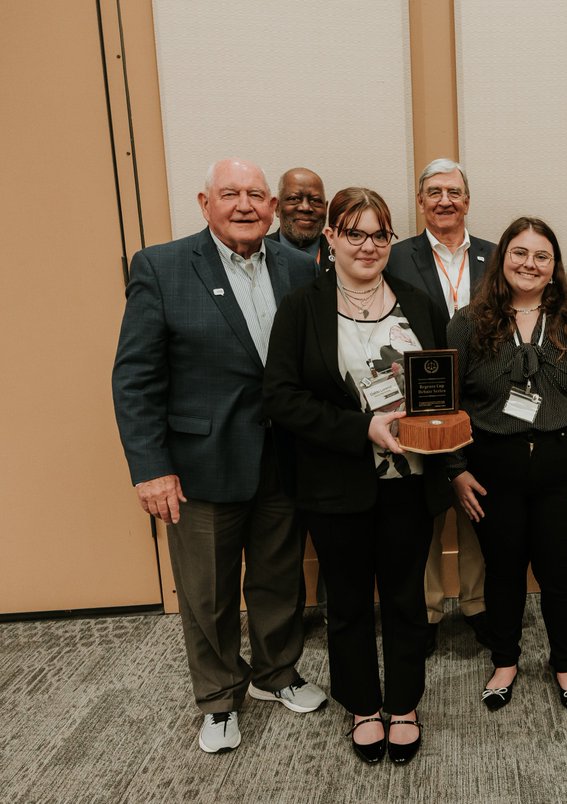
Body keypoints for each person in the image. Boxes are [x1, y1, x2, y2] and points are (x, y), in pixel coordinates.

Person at [112, 158, 326, 754]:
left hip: (282, 458)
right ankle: (218, 696)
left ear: (272, 206)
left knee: (279, 579)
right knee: (206, 589)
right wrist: (150, 466)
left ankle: (276, 673)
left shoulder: (297, 265)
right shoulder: (163, 266)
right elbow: (135, 378)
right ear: (204, 202)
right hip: (201, 462)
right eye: (229, 193)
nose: (245, 205)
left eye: (256, 194)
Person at [263, 187, 450, 765]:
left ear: (391, 240)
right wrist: (361, 429)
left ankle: (404, 703)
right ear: (332, 238)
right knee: (346, 601)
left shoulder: (420, 302)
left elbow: (442, 386)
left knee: (404, 597)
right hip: (335, 481)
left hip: (411, 479)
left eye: (380, 234)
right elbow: (281, 399)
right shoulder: (303, 307)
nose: (368, 245)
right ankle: (363, 705)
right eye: (355, 232)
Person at [447, 217, 567, 714]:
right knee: (502, 573)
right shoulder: (467, 324)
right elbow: (449, 404)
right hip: (491, 474)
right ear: (502, 260)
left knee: (562, 576)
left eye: (541, 256)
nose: (530, 263)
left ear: (554, 266)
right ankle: (505, 661)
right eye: (519, 253)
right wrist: (456, 470)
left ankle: (566, 664)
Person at [386, 158, 495, 655]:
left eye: (453, 191)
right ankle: (428, 609)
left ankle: (477, 604)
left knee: (478, 506)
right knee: (424, 509)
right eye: (434, 192)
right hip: (420, 404)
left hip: (484, 403)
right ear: (421, 202)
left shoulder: (496, 256)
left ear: (468, 200)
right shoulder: (394, 256)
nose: (444, 200)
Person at [267, 167, 333, 273]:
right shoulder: (257, 253)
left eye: (315, 200)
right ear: (277, 207)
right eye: (294, 199)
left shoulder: (344, 256)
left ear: (326, 208)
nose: (305, 207)